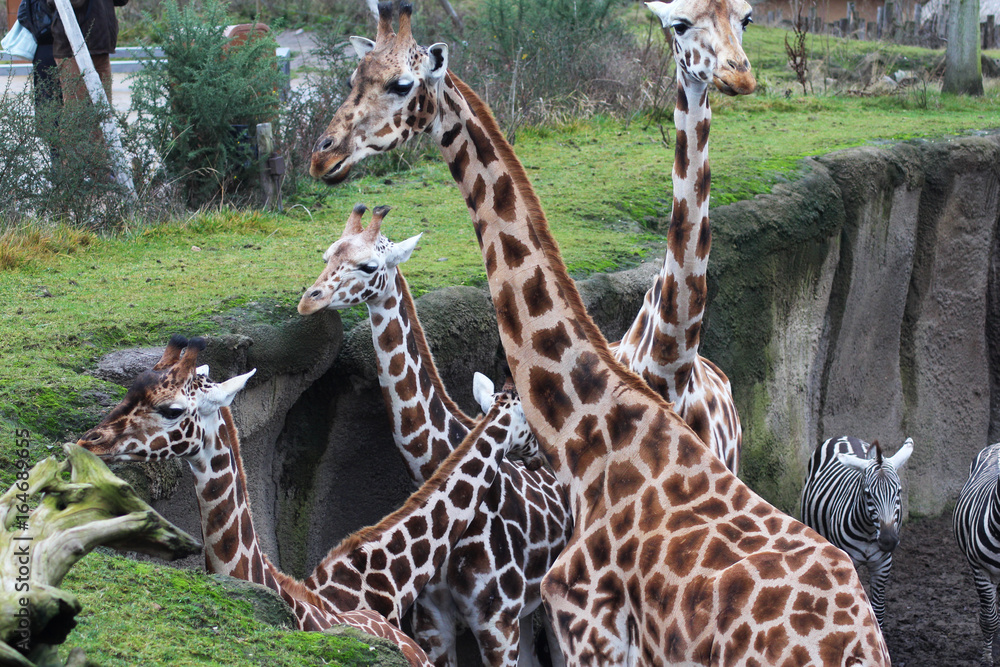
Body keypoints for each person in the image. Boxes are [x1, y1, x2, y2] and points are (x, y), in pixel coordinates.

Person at [47, 0, 127, 107]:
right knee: (77, 110)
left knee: (104, 110)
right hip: (72, 50)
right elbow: (74, 2)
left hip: (101, 47)